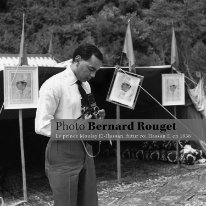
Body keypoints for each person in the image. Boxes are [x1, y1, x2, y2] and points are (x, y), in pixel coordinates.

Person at [35, 44, 105, 206]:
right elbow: (41, 124)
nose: (93, 75)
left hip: (86, 149)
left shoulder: (85, 85)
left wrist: (95, 117)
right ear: (78, 60)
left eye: (96, 71)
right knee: (65, 202)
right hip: (63, 150)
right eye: (91, 69)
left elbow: (83, 113)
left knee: (87, 200)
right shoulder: (53, 85)